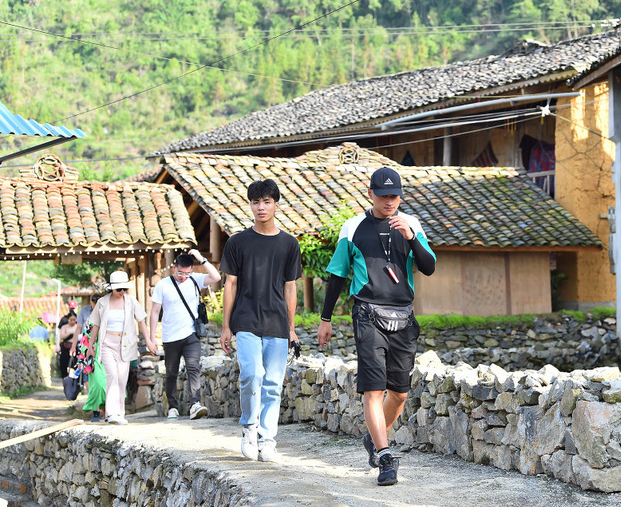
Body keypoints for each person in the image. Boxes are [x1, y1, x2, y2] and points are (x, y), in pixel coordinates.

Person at [317, 167, 436, 486]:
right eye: (383, 196)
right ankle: (385, 456)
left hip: (403, 315)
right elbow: (338, 275)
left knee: (398, 394)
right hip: (368, 313)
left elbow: (429, 267)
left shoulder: (411, 224)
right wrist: (325, 318)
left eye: (394, 195)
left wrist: (411, 239)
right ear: (370, 194)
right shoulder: (353, 227)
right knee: (373, 389)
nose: (389, 201)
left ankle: (375, 435)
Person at [219, 179, 302, 463]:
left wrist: (291, 329)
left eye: (267, 201)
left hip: (277, 323)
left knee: (273, 384)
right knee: (252, 374)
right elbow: (230, 284)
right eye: (256, 202)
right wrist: (225, 326)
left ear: (276, 205)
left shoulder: (289, 244)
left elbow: (291, 288)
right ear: (250, 205)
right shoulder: (237, 242)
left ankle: (268, 441)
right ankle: (249, 429)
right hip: (245, 321)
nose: (261, 207)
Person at [148, 250, 221, 420]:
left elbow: (216, 277)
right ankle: (173, 407)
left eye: (187, 273)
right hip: (170, 336)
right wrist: (152, 338)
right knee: (171, 372)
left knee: (193, 367)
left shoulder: (195, 279)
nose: (183, 277)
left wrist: (200, 258)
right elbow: (154, 312)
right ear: (174, 268)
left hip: (191, 333)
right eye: (180, 272)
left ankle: (195, 404)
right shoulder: (163, 285)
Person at [86, 271, 148, 425]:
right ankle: (111, 413)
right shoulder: (102, 302)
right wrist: (91, 346)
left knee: (121, 378)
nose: (121, 292)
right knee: (112, 375)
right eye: (118, 289)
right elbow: (96, 324)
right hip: (107, 342)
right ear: (112, 288)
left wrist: (149, 340)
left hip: (125, 344)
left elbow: (141, 320)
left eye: (124, 289)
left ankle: (119, 413)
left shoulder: (131, 301)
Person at [72, 293, 105, 422]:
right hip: (93, 354)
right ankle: (96, 411)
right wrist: (81, 358)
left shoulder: (108, 315)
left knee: (107, 384)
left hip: (107, 352)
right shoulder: (89, 319)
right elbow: (84, 338)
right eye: (94, 301)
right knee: (95, 384)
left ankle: (107, 412)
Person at [56, 311, 79, 378]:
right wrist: (69, 333)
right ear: (68, 319)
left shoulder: (78, 327)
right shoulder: (64, 327)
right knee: (64, 364)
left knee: (75, 363)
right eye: (71, 320)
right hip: (66, 347)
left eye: (74, 320)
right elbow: (62, 336)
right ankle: (65, 379)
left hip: (75, 346)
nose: (72, 321)